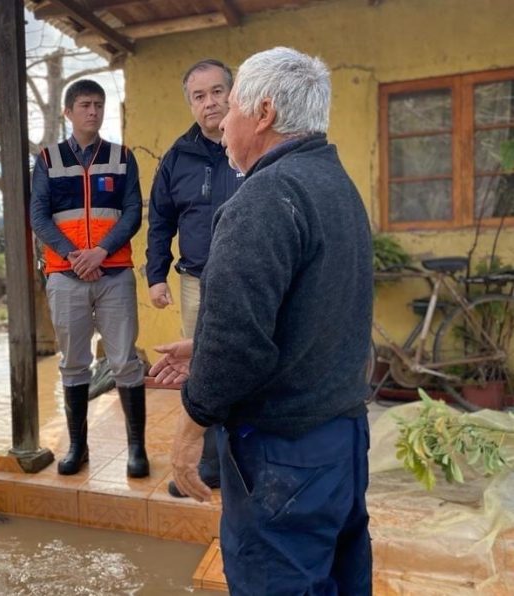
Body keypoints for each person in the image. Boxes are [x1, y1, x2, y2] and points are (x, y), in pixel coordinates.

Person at [151, 47, 373, 595]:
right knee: (337, 581)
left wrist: (188, 430)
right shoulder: (335, 184)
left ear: (265, 113)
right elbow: (304, 314)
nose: (222, 122)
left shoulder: (265, 197)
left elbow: (238, 344)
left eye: (232, 107)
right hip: (340, 438)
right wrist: (202, 348)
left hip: (283, 456)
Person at [30, 79, 149, 478]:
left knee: (125, 362)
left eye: (98, 104)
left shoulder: (122, 157)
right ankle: (78, 448)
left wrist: (101, 251)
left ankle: (137, 450)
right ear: (68, 111)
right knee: (74, 364)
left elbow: (132, 211)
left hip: (114, 273)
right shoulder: (48, 160)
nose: (93, 111)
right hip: (65, 275)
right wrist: (73, 256)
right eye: (84, 104)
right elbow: (39, 216)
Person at [145, 58, 244, 499]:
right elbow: (160, 220)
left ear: (233, 92)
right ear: (190, 104)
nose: (211, 103)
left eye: (218, 92)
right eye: (200, 96)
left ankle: (246, 462)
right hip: (196, 282)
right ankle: (208, 463)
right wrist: (155, 275)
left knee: (249, 364)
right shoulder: (177, 158)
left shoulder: (252, 147)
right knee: (202, 369)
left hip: (249, 281)